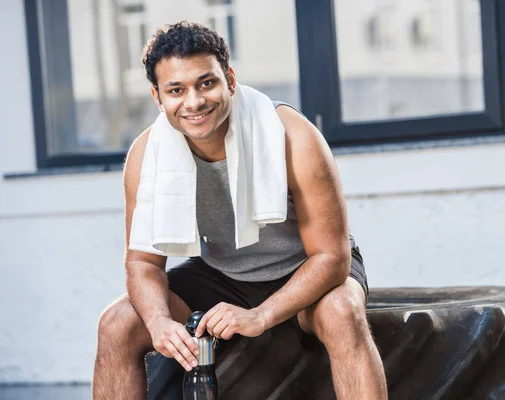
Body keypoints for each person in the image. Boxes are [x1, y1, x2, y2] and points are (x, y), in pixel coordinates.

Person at [92, 21, 387, 400]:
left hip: (305, 266)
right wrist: (158, 320)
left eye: (205, 83)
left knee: (342, 312)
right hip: (224, 273)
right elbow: (143, 264)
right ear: (157, 97)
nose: (194, 101)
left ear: (229, 79)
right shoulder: (147, 155)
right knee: (117, 323)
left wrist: (261, 315)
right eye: (176, 90)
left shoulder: (293, 136)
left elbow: (331, 257)